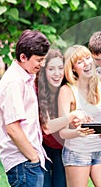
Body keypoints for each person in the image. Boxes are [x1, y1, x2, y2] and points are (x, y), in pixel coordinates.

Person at [0, 30, 85, 187]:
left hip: (31, 159)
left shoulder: (26, 78)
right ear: (23, 57)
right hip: (24, 161)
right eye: (39, 60)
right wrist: (33, 158)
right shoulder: (14, 83)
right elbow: (13, 128)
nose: (42, 64)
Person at [58, 45, 101, 187]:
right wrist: (77, 132)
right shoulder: (67, 90)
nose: (87, 63)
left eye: (87, 58)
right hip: (77, 152)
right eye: (80, 62)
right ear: (73, 68)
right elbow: (62, 132)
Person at [36, 49, 66, 187]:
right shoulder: (37, 89)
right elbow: (46, 127)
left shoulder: (66, 88)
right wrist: (72, 117)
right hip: (43, 147)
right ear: (44, 71)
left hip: (63, 148)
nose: (57, 73)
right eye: (51, 69)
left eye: (60, 68)